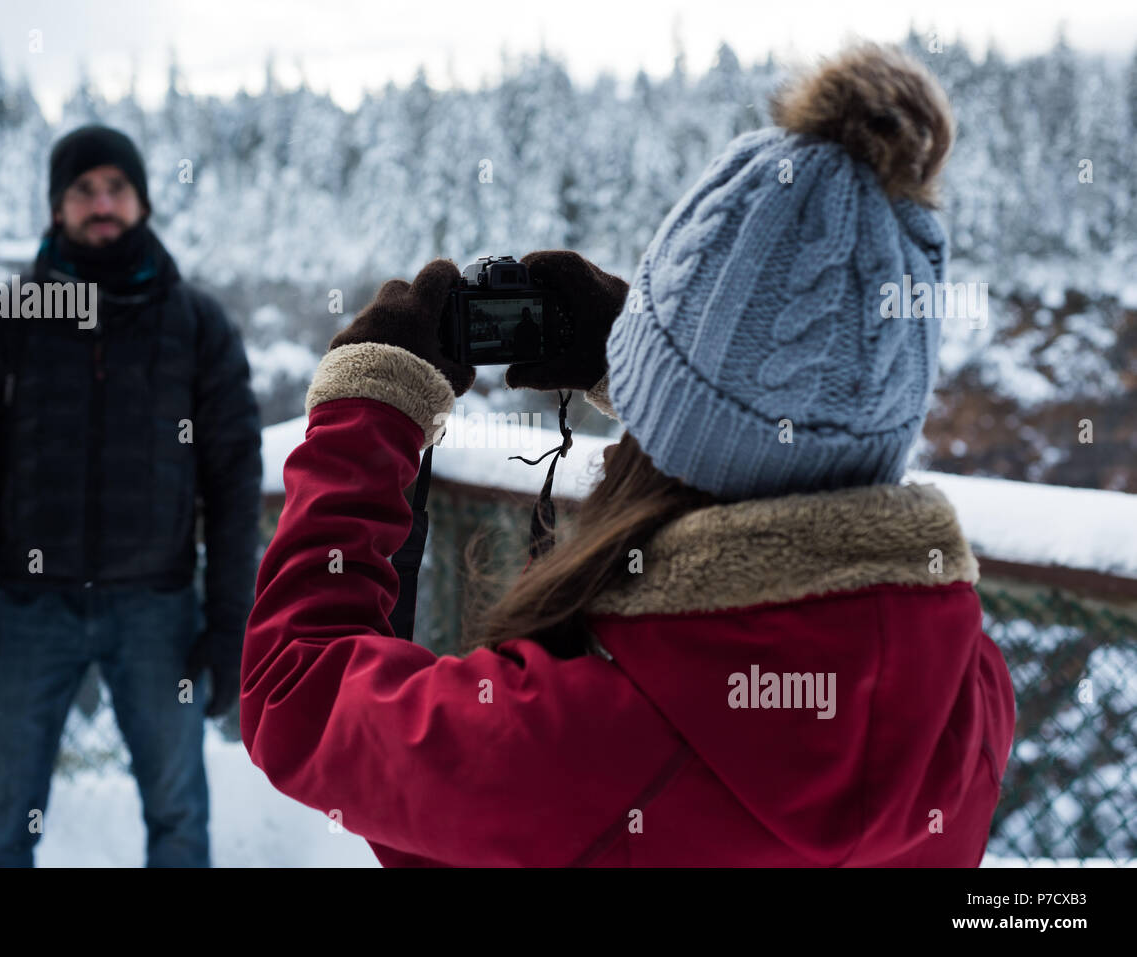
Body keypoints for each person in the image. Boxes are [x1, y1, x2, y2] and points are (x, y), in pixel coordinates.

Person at [240, 42, 1016, 866]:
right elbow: (786, 444)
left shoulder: (566, 745)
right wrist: (651, 366)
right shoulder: (967, 698)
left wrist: (367, 411)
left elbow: (296, 689)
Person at [0, 125, 263, 867]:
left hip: (159, 608)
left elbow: (234, 479)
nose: (101, 203)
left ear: (142, 202)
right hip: (28, 609)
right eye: (83, 190)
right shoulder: (8, 322)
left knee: (179, 819)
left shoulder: (196, 323)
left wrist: (229, 618)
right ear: (58, 207)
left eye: (116, 187)